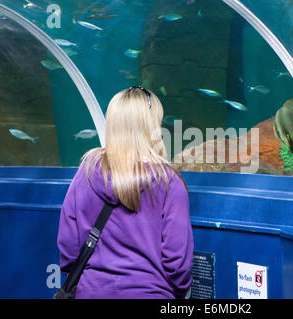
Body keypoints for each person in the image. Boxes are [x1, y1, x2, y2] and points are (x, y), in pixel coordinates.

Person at [57, 87, 194, 299]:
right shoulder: (169, 183)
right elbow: (177, 264)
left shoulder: (85, 173)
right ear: (152, 127)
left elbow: (68, 249)